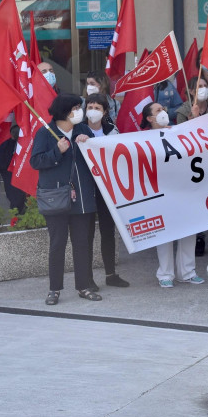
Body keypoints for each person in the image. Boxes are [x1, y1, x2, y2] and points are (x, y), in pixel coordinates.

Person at [30, 94, 101, 305]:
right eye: (76, 107)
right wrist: (56, 152)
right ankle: (54, 289)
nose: (80, 111)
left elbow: (99, 155)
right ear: (65, 111)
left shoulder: (83, 130)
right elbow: (36, 161)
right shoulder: (45, 133)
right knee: (57, 243)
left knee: (82, 243)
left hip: (82, 196)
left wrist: (90, 143)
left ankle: (84, 285)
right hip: (56, 197)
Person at [142, 101, 204, 288]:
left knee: (188, 230)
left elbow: (200, 136)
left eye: (163, 109)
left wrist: (195, 117)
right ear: (150, 118)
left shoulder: (178, 131)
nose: (163, 112)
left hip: (183, 188)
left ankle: (187, 272)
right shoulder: (141, 138)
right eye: (158, 110)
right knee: (165, 233)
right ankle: (165, 274)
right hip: (161, 191)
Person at [83, 94, 129, 289]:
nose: (93, 110)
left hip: (107, 189)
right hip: (87, 187)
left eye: (97, 107)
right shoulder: (79, 130)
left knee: (108, 231)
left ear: (105, 112)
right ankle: (86, 278)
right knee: (86, 234)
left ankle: (111, 274)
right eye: (90, 106)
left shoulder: (112, 131)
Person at [175, 76, 208, 256]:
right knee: (200, 198)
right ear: (191, 91)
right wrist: (194, 120)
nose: (203, 89)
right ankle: (200, 236)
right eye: (199, 87)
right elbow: (181, 138)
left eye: (205, 86)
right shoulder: (184, 111)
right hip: (195, 162)